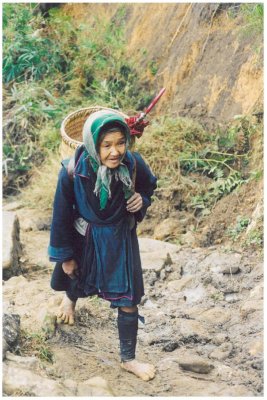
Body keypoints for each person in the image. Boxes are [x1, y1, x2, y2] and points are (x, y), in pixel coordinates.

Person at [48, 109, 157, 381]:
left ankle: (128, 359)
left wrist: (141, 200)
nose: (114, 152)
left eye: (121, 142)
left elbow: (149, 186)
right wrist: (65, 256)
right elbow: (61, 216)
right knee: (77, 273)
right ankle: (70, 300)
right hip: (85, 236)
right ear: (92, 144)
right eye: (106, 145)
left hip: (121, 237)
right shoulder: (73, 171)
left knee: (130, 296)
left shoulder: (133, 163)